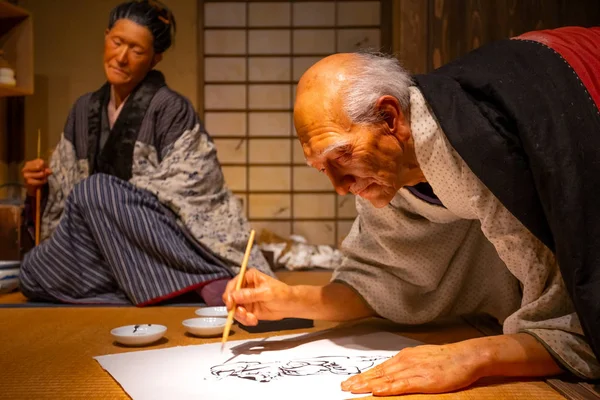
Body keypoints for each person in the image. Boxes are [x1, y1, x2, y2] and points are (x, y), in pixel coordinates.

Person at [223, 26, 600, 396]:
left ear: (390, 118)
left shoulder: (484, 144)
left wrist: (473, 356)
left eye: (342, 156)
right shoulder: (392, 172)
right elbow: (388, 278)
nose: (339, 186)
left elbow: (574, 321)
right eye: (324, 169)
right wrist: (292, 299)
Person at [20, 0, 273, 306]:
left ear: (155, 59)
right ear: (105, 37)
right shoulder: (83, 110)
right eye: (116, 42)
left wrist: (114, 198)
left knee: (95, 190)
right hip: (100, 242)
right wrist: (40, 187)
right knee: (32, 272)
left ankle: (192, 278)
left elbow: (195, 189)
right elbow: (65, 195)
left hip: (154, 237)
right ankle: (164, 284)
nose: (121, 57)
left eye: (137, 51)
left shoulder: (171, 108)